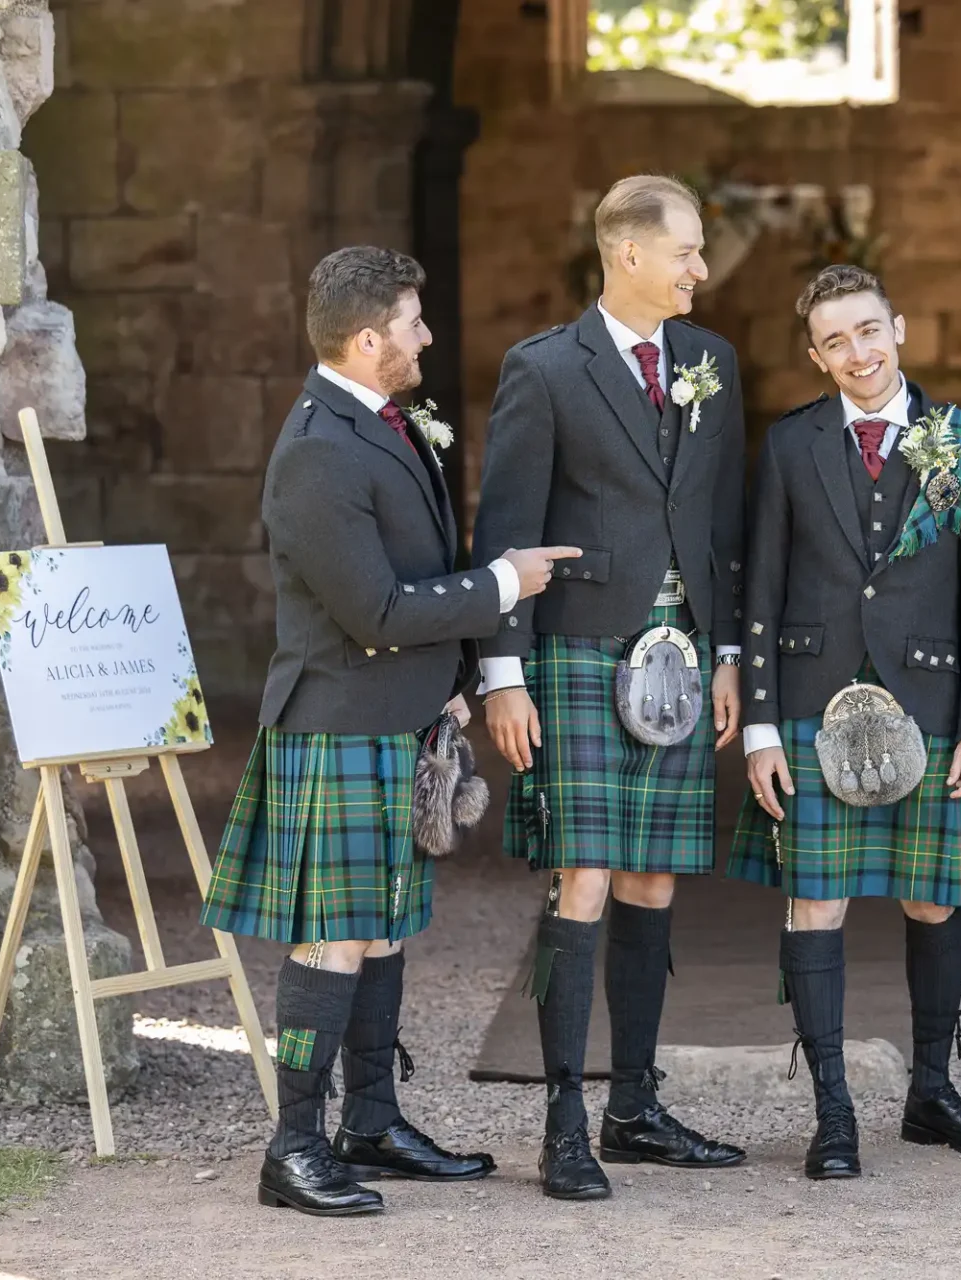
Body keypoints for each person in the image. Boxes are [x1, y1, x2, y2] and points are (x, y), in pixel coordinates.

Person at [201, 246, 572, 1215]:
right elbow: (372, 608)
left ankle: (368, 1118)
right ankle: (293, 1145)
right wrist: (500, 585)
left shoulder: (378, 420)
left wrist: (449, 687)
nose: (426, 336)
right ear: (367, 341)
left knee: (382, 926)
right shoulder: (320, 448)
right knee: (336, 934)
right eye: (412, 323)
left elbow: (406, 569)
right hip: (335, 723)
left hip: (392, 718)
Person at [727, 265, 961, 1179]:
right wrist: (759, 725)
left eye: (869, 331)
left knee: (936, 896)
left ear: (899, 329)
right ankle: (833, 1112)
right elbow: (759, 585)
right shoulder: (791, 446)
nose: (857, 353)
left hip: (936, 698)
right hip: (808, 699)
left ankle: (933, 1094)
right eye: (835, 341)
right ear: (815, 355)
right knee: (817, 900)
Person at [473, 175, 748, 1200]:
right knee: (580, 876)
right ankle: (561, 1120)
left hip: (680, 655)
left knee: (653, 879)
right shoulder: (544, 369)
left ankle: (634, 1106)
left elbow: (724, 519)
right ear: (628, 254)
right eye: (686, 251)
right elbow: (507, 524)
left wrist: (725, 653)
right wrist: (503, 671)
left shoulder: (711, 362)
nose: (700, 270)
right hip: (580, 649)